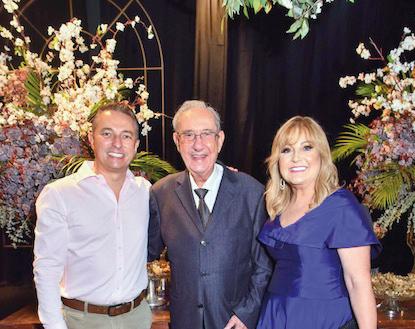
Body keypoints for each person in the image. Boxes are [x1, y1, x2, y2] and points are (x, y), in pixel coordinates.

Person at [148, 100, 271, 329]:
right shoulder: (161, 193)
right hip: (185, 322)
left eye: (206, 134)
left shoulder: (252, 193)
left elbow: (263, 265)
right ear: (177, 140)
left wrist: (247, 313)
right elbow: (144, 253)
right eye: (189, 135)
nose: (198, 144)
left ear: (220, 139)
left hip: (234, 322)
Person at [33, 103, 152, 329]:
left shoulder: (145, 191)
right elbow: (46, 269)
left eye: (126, 136)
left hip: (137, 318)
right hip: (82, 320)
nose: (117, 143)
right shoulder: (60, 194)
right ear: (91, 138)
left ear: (135, 145)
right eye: (107, 133)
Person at [256, 116, 381, 329]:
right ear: (278, 160)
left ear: (321, 156)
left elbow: (358, 283)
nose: (296, 158)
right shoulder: (277, 207)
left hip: (323, 319)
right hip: (275, 316)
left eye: (306, 147)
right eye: (286, 150)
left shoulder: (341, 206)